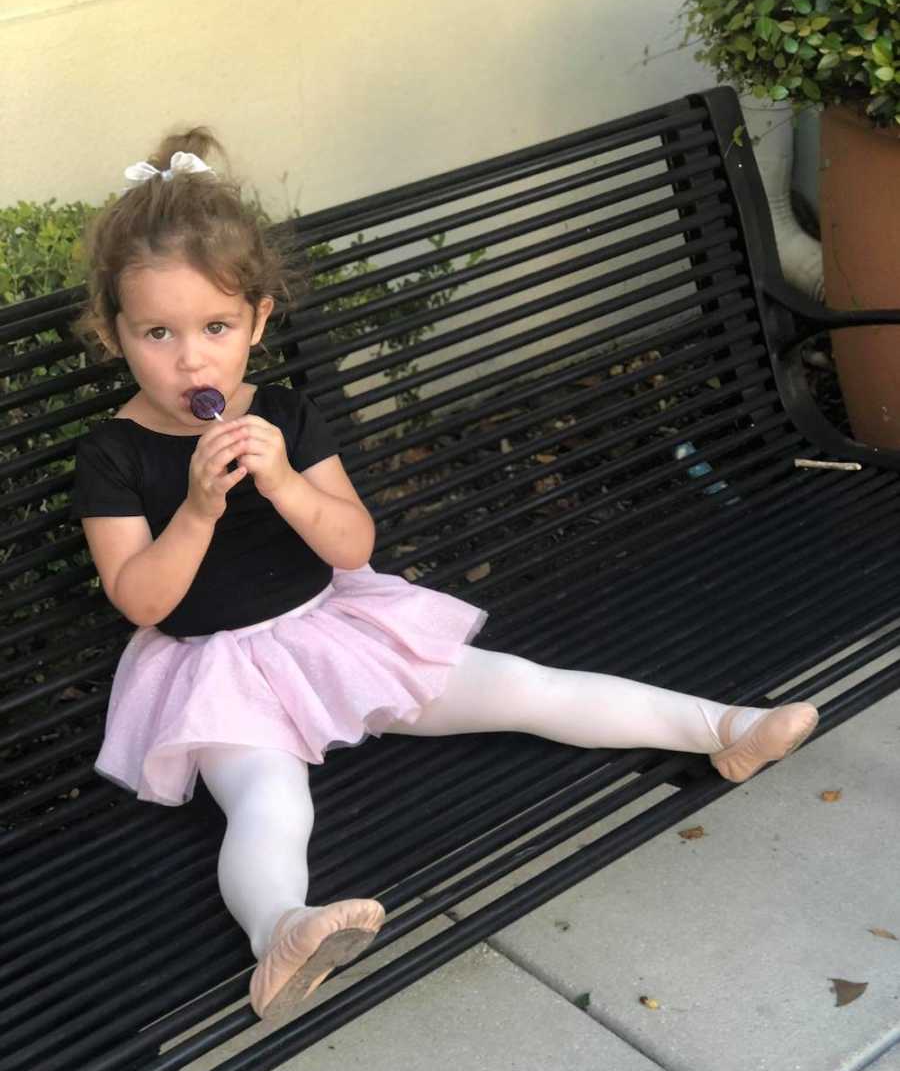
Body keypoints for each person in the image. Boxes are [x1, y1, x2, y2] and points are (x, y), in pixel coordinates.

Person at [69, 127, 820, 1025]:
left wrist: (281, 482)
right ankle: (283, 933)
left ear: (260, 321)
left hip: (332, 632)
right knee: (270, 800)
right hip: (219, 672)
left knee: (522, 687)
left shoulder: (285, 416)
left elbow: (351, 546)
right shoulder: (112, 455)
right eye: (159, 333)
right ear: (114, 335)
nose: (191, 359)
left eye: (216, 328)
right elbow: (141, 599)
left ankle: (723, 727)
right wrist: (195, 511)